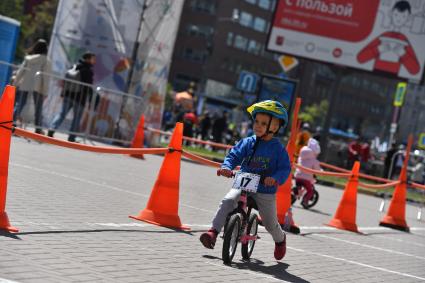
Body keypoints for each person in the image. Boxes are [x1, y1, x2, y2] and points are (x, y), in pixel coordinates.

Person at [199, 100, 291, 260]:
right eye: (256, 121)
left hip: (265, 190)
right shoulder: (248, 142)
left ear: (274, 127)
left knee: (270, 223)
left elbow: (284, 168)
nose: (258, 125)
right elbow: (234, 155)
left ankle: (280, 240)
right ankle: (213, 232)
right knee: (228, 201)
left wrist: (274, 178)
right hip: (244, 183)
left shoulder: (277, 149)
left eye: (263, 123)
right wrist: (227, 167)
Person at [47, 52, 96, 142]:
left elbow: (66, 81)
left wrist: (63, 93)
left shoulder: (74, 66)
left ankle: (51, 129)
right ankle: (72, 137)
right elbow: (89, 86)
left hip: (68, 95)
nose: (94, 61)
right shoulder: (88, 71)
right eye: (93, 58)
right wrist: (90, 99)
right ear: (88, 59)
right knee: (76, 118)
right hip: (80, 98)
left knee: (61, 114)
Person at [13, 39, 52, 134]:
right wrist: (46, 91)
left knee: (20, 104)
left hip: (25, 84)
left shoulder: (28, 58)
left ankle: (11, 122)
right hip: (38, 87)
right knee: (38, 107)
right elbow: (46, 77)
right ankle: (38, 128)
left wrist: (15, 83)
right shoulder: (46, 60)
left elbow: (21, 71)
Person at [294, 138, 321, 206]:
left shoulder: (301, 157)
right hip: (306, 179)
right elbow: (317, 170)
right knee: (310, 191)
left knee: (298, 186)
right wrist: (320, 171)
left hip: (297, 176)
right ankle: (305, 201)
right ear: (314, 153)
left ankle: (295, 192)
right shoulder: (314, 161)